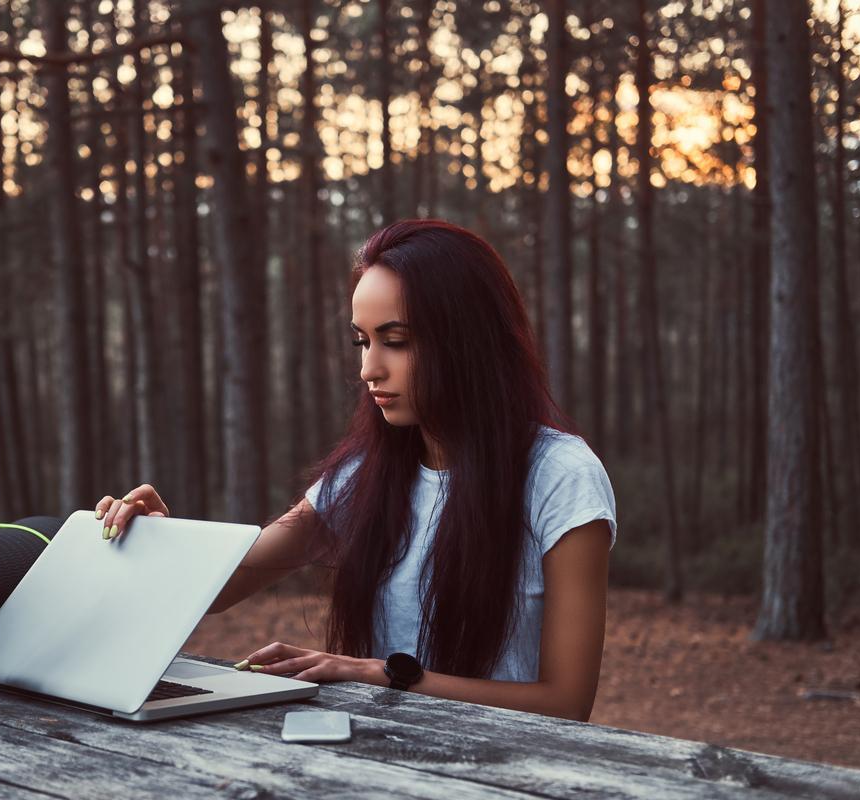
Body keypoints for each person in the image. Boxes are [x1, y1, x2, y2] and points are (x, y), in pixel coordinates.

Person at [94, 219, 616, 722]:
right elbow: (218, 589)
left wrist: (381, 673)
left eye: (397, 340)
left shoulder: (561, 476)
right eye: (362, 341)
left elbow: (566, 703)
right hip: (372, 760)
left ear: (469, 340)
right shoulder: (365, 478)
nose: (369, 369)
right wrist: (160, 540)